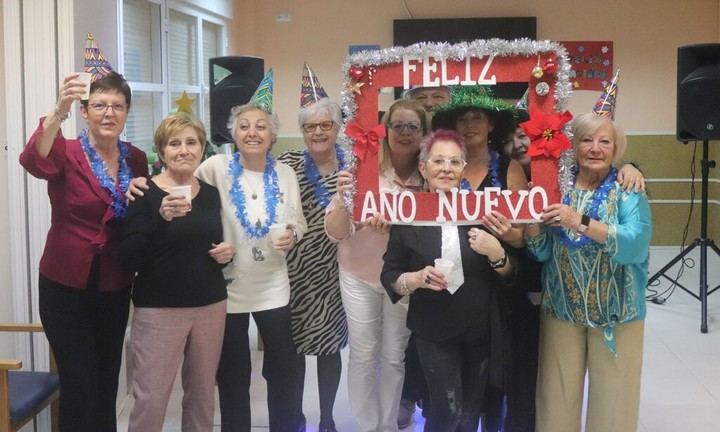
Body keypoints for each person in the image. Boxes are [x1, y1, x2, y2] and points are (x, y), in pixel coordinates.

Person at [496, 108, 647, 432]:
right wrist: (534, 223)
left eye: (604, 141)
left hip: (617, 314)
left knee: (614, 400)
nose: (595, 148)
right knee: (556, 397)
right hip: (561, 309)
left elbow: (635, 244)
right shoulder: (557, 187)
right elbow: (543, 252)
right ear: (573, 145)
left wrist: (578, 221)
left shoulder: (628, 188)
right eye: (587, 140)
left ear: (616, 148)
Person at [19, 69, 148, 431]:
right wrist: (59, 108)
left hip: (114, 284)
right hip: (65, 286)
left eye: (118, 106)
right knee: (80, 383)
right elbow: (33, 160)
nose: (109, 113)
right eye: (100, 105)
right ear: (85, 111)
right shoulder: (67, 151)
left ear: (127, 112)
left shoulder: (135, 158)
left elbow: (140, 216)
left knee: (108, 381)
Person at [381, 129, 516, 431]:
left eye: (455, 162)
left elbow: (510, 275)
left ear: (463, 170)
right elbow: (389, 276)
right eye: (438, 160)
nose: (446, 168)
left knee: (469, 414)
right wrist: (415, 278)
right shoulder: (407, 214)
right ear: (423, 167)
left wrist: (498, 254)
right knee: (445, 412)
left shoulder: (483, 211)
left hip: (479, 327)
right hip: (433, 327)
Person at [195, 99, 307, 432]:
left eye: (260, 126)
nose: (252, 132)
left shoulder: (285, 173)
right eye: (244, 126)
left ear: (272, 134)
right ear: (233, 134)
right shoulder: (215, 167)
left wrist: (292, 234)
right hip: (229, 286)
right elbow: (187, 195)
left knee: (284, 367)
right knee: (232, 372)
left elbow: (298, 221)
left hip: (274, 284)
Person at [121, 112, 233, 431]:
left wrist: (226, 253)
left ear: (201, 148)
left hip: (210, 305)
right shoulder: (143, 194)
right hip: (159, 309)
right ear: (162, 151)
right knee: (151, 399)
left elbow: (212, 243)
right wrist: (161, 217)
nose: (183, 150)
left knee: (201, 397)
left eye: (191, 142)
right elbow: (131, 258)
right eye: (174, 143)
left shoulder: (211, 194)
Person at [325, 98, 427, 432]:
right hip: (359, 271)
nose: (405, 132)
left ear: (424, 133)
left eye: (413, 126)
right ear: (385, 130)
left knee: (394, 353)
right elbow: (336, 233)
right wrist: (343, 198)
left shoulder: (430, 174)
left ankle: (388, 425)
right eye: (398, 125)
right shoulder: (361, 168)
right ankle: (368, 426)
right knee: (364, 352)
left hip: (403, 277)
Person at [278, 95, 348, 432]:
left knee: (329, 347)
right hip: (293, 270)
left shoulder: (353, 168)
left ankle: (328, 418)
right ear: (302, 132)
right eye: (310, 127)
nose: (318, 132)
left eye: (325, 125)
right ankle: (294, 415)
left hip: (337, 271)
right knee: (292, 350)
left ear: (337, 128)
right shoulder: (287, 163)